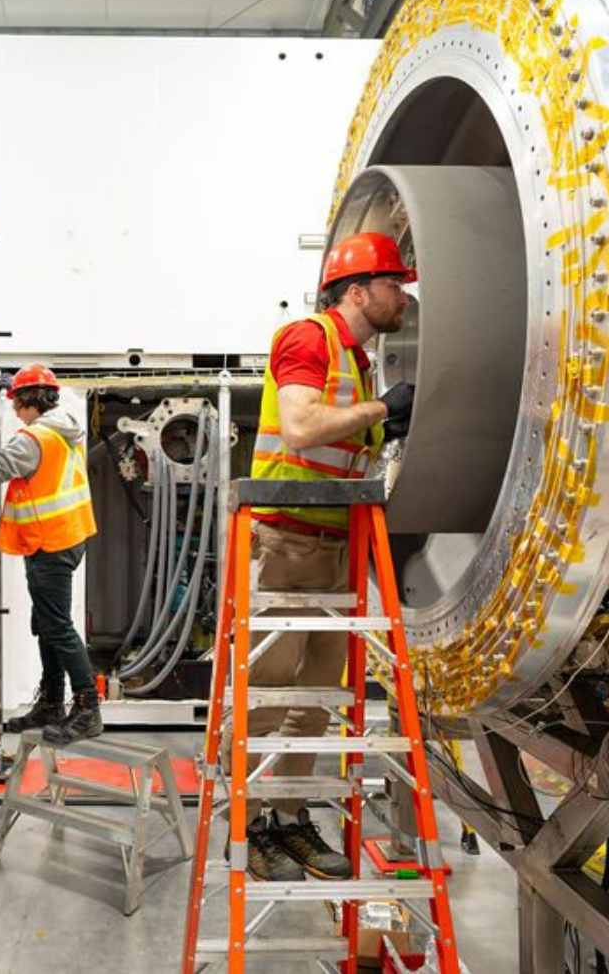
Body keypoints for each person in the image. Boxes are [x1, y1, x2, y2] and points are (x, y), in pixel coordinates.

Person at [241, 231, 417, 882]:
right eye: (394, 283)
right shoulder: (308, 339)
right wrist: (380, 409)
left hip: (335, 548)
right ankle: (253, 825)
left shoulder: (362, 362)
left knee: (314, 697)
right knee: (268, 689)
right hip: (286, 543)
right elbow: (301, 426)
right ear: (358, 289)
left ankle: (287, 820)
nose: (403, 294)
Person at [0, 364, 104, 745]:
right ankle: (51, 701)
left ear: (30, 399)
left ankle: (87, 709)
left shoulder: (34, 438)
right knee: (47, 623)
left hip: (50, 543)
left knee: (58, 626)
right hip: (64, 538)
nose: (15, 411)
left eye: (16, 403)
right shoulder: (63, 431)